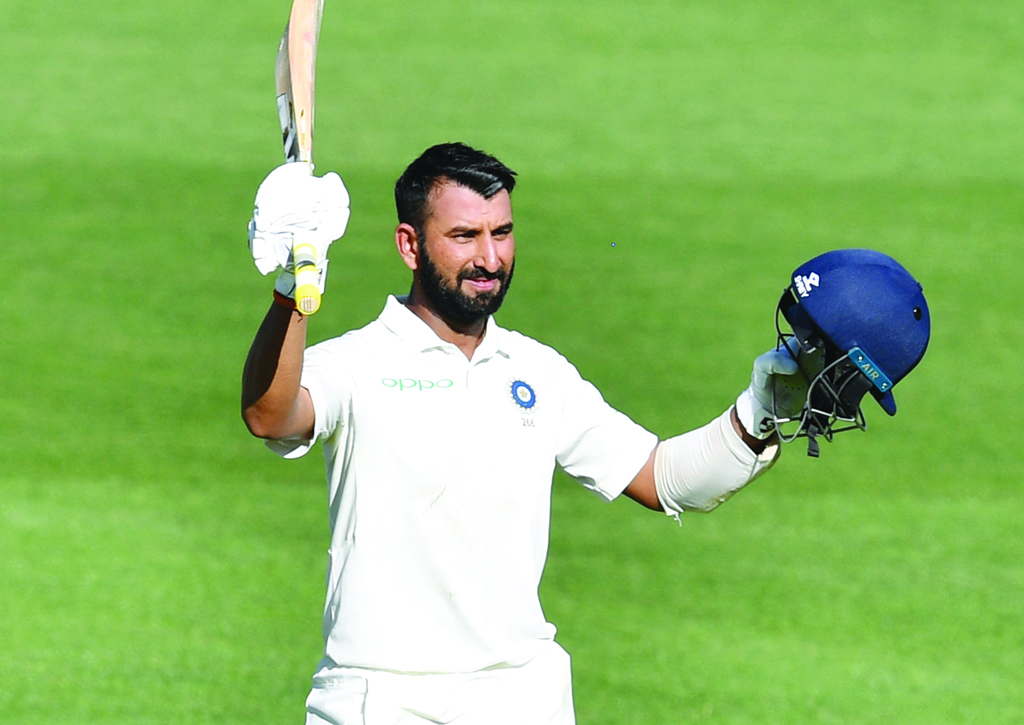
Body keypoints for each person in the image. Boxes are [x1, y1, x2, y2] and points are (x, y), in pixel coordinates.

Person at [241, 143, 799, 724]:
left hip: (522, 698)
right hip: (382, 698)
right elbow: (271, 416)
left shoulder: (538, 372)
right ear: (409, 244)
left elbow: (664, 479)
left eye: (501, 233)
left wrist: (761, 412)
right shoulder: (357, 362)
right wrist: (293, 283)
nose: (489, 258)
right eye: (464, 236)